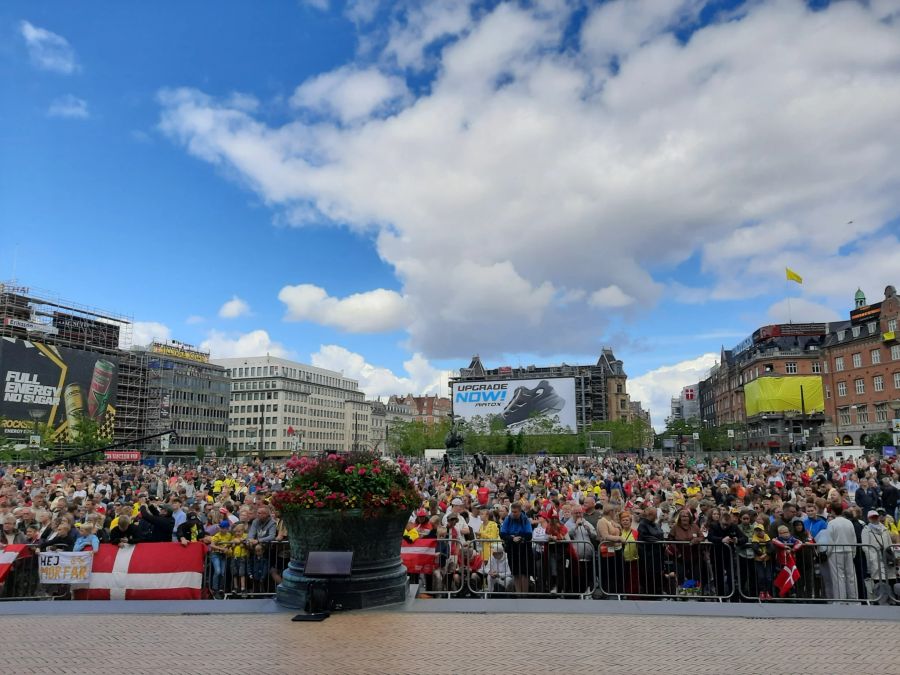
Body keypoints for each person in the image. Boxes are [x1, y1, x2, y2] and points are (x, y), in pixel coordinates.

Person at [825, 503, 859, 601]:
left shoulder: (831, 523)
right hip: (848, 550)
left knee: (838, 577)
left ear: (832, 512)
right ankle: (853, 600)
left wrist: (828, 553)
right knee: (851, 576)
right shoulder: (849, 522)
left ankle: (841, 600)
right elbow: (854, 538)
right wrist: (853, 552)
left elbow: (830, 540)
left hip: (835, 552)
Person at [499, 502, 533, 595]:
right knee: (516, 573)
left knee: (524, 573)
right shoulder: (508, 519)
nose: (514, 514)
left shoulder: (525, 519)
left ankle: (525, 595)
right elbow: (502, 533)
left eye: (516, 512)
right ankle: (518, 594)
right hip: (512, 548)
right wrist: (512, 538)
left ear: (520, 511)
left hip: (524, 548)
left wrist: (519, 537)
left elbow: (529, 534)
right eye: (512, 511)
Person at [861, 509, 895, 601]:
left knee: (890, 578)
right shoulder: (866, 530)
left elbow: (890, 542)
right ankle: (881, 599)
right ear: (869, 518)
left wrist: (891, 554)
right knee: (878, 579)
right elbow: (865, 547)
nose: (875, 519)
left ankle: (891, 599)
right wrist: (870, 558)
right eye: (872, 517)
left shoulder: (884, 529)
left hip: (887, 557)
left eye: (876, 516)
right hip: (875, 558)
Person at [637, 506, 664, 597]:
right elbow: (645, 537)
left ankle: (657, 592)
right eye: (655, 513)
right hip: (647, 554)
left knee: (657, 573)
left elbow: (661, 534)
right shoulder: (642, 524)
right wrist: (659, 540)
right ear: (650, 514)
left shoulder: (655, 524)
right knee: (648, 574)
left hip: (657, 553)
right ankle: (649, 593)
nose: (656, 515)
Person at [750, 523, 772, 599]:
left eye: (760, 530)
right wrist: (760, 554)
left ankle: (768, 591)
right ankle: (762, 591)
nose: (758, 532)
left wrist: (766, 554)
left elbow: (771, 547)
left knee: (768, 577)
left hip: (767, 559)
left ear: (763, 531)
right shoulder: (755, 537)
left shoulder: (766, 536)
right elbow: (755, 547)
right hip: (758, 560)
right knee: (761, 576)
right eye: (756, 530)